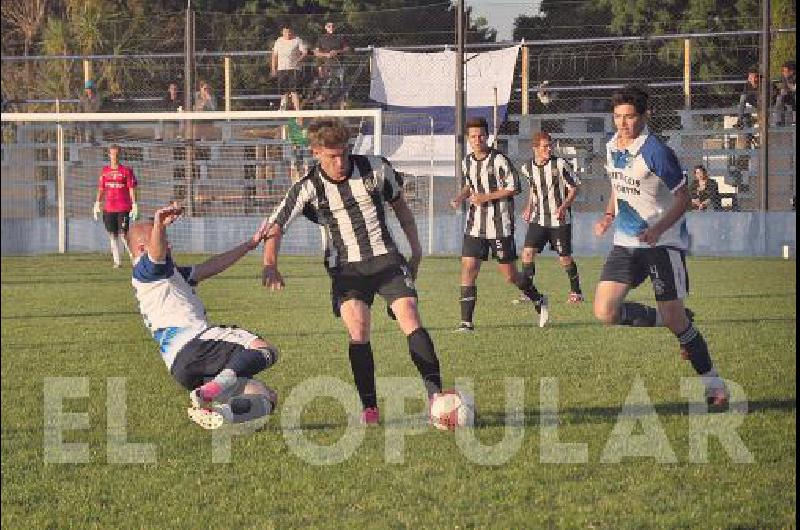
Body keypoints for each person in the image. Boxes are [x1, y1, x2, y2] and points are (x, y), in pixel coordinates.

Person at [260, 118, 443, 425]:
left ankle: (435, 396)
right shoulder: (308, 186)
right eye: (332, 156)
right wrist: (269, 263)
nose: (341, 161)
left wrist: (416, 251)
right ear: (317, 153)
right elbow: (275, 226)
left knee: (409, 314)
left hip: (386, 258)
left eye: (344, 153)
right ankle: (369, 408)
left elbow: (402, 210)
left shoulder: (376, 168)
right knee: (358, 328)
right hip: (345, 268)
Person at [593, 85, 728, 407]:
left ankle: (715, 385)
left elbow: (684, 199)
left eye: (629, 117)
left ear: (644, 115)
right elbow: (618, 184)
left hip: (662, 245)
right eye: (618, 117)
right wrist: (609, 214)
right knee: (604, 311)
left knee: (676, 320)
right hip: (625, 243)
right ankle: (671, 318)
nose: (622, 124)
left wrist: (657, 229)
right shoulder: (612, 146)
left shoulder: (656, 152)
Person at [127, 202, 278, 430]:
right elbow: (156, 253)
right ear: (140, 249)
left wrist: (250, 245)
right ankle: (212, 390)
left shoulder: (168, 275)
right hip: (196, 343)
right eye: (160, 239)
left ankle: (221, 413)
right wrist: (159, 223)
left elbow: (211, 266)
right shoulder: (146, 269)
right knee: (264, 350)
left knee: (266, 396)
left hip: (182, 368)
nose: (168, 244)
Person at [450, 116, 549, 331]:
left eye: (481, 136)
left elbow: (514, 187)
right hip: (475, 225)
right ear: (469, 139)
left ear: (487, 137)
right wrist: (460, 197)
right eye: (473, 137)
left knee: (510, 275)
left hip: (499, 226)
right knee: (468, 267)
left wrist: (485, 198)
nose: (477, 140)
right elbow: (471, 185)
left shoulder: (499, 160)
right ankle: (466, 323)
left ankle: (538, 298)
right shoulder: (467, 161)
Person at [516, 131, 584, 305]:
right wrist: (529, 207)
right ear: (535, 149)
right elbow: (533, 189)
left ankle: (576, 291)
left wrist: (563, 206)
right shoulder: (527, 168)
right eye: (545, 146)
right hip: (539, 218)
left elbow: (575, 187)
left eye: (550, 145)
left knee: (564, 258)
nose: (549, 149)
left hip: (559, 219)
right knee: (527, 253)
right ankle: (528, 291)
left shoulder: (560, 164)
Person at [93, 144, 139, 268]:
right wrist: (97, 203)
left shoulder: (126, 171)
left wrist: (134, 204)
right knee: (112, 235)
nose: (115, 156)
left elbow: (131, 188)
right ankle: (117, 262)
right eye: (112, 154)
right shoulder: (105, 171)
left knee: (124, 234)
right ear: (109, 155)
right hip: (109, 208)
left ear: (120, 155)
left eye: (117, 154)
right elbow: (101, 189)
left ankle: (135, 259)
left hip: (123, 207)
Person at [313, 21, 351, 110]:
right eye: (329, 26)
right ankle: (323, 99)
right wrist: (326, 55)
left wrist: (337, 52)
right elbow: (316, 52)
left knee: (339, 84)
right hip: (325, 65)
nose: (331, 27)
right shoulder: (321, 38)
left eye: (333, 26)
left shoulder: (340, 37)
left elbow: (347, 49)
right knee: (325, 83)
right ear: (326, 27)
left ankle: (341, 103)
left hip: (339, 64)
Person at [271, 24, 308, 112]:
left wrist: (299, 60)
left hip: (294, 69)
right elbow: (274, 55)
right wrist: (273, 68)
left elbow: (304, 52)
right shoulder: (278, 41)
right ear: (282, 32)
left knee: (294, 91)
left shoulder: (297, 40)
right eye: (286, 32)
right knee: (283, 91)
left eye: (289, 32)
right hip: (281, 69)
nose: (288, 34)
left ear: (292, 32)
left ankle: (297, 111)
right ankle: (283, 109)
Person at [774, 60, 796, 126]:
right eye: (783, 71)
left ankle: (795, 120)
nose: (783, 73)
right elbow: (784, 89)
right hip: (789, 95)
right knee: (779, 98)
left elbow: (794, 89)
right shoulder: (784, 77)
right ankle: (779, 120)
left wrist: (789, 87)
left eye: (785, 71)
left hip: (794, 95)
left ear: (792, 71)